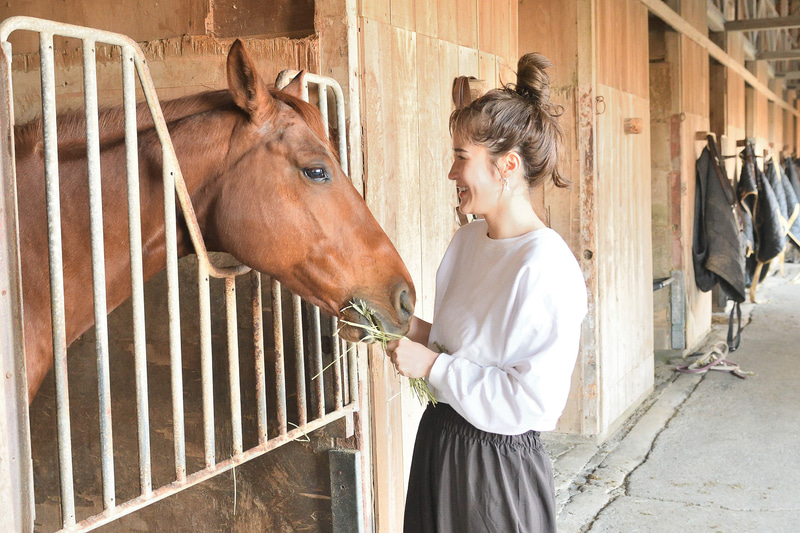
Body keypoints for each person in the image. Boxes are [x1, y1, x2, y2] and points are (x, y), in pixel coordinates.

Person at [386, 53, 588, 533]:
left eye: (461, 158)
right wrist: (401, 327)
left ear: (508, 166)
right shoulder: (466, 242)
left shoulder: (546, 265)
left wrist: (433, 367)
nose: (452, 174)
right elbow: (472, 350)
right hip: (441, 441)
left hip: (494, 471)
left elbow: (532, 402)